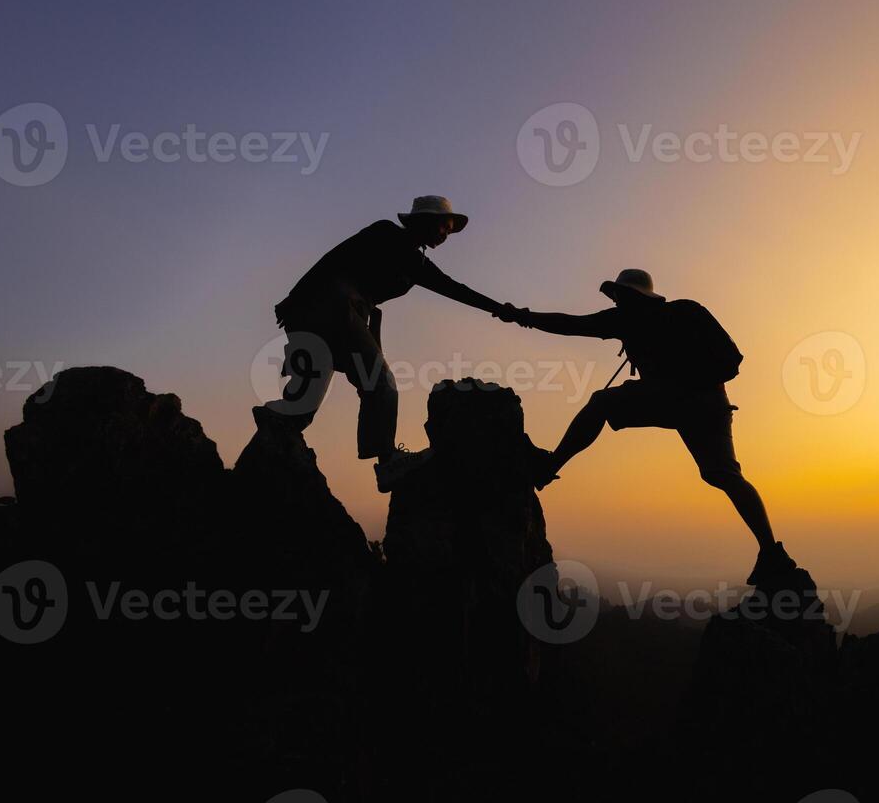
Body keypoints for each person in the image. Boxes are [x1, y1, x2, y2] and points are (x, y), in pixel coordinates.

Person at [500, 269, 797, 584]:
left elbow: (731, 361)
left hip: (693, 400)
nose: (619, 302)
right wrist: (524, 317)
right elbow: (572, 324)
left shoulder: (681, 312)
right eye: (618, 297)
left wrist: (682, 383)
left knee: (605, 405)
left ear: (639, 297)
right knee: (722, 473)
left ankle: (548, 467)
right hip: (708, 405)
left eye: (623, 296)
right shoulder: (636, 318)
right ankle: (771, 552)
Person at [262, 196, 508, 491]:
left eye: (450, 229)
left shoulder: (417, 264)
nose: (446, 233)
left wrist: (501, 309)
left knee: (304, 404)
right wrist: (294, 297)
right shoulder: (386, 233)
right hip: (333, 305)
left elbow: (454, 289)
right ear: (424, 221)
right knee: (380, 382)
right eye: (444, 225)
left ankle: (276, 426)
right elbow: (334, 258)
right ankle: (388, 460)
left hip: (343, 314)